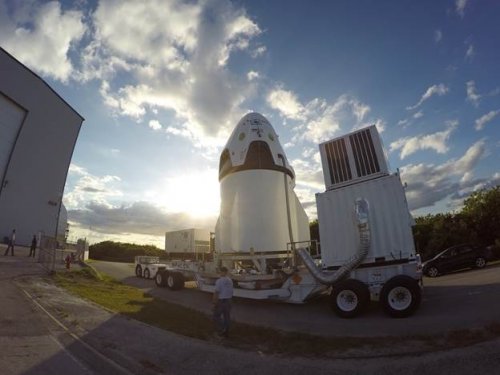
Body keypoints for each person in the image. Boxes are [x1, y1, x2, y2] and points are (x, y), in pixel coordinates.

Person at [212, 266, 233, 337]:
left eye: (220, 271)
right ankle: (226, 331)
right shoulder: (230, 280)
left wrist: (214, 303)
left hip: (221, 301)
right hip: (229, 300)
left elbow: (216, 292)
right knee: (227, 316)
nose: (219, 272)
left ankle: (221, 328)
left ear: (222, 272)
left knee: (216, 316)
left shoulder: (219, 281)